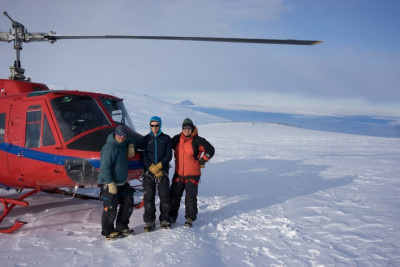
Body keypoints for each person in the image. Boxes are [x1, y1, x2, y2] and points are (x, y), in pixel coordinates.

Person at [169, 118, 215, 228]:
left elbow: (210, 149)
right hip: (179, 173)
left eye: (189, 128)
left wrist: (203, 159)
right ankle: (171, 216)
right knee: (174, 196)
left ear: (192, 128)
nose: (186, 130)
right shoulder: (176, 139)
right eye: (184, 128)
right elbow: (166, 146)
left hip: (193, 173)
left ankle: (189, 218)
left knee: (190, 197)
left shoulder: (197, 140)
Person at [98, 125, 136, 240]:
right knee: (110, 207)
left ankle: (122, 226)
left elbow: (130, 139)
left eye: (124, 135)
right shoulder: (110, 147)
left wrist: (131, 145)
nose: (122, 137)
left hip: (122, 183)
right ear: (115, 134)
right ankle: (108, 231)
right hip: (109, 183)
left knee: (128, 201)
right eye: (120, 134)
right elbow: (104, 167)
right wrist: (110, 183)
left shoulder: (123, 143)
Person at [141, 116, 172, 232]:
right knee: (149, 197)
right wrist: (151, 166)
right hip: (148, 172)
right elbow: (143, 155)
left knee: (164, 196)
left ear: (160, 125)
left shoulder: (166, 138)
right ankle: (150, 222)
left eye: (156, 125)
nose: (154, 127)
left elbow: (169, 155)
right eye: (152, 125)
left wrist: (159, 166)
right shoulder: (145, 139)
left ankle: (165, 219)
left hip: (162, 171)